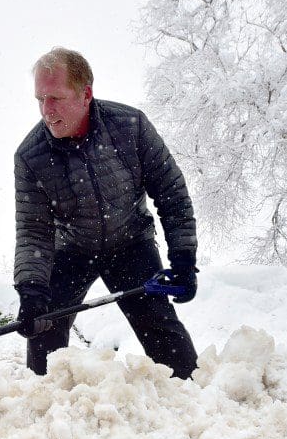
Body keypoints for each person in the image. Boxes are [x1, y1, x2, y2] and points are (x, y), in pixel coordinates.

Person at [13, 46, 199, 379]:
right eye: (40, 99)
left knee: (161, 329)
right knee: (44, 332)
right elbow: (33, 230)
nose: (46, 110)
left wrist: (184, 259)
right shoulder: (31, 156)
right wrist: (31, 290)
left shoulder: (130, 127)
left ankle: (197, 399)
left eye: (55, 98)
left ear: (86, 94)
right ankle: (42, 409)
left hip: (130, 242)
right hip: (70, 249)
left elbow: (171, 193)